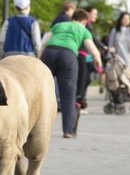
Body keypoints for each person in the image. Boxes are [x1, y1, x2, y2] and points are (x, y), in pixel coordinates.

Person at [39, 9, 102, 139]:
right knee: (68, 94)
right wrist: (98, 64)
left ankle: (36, 129)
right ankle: (68, 131)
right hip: (67, 56)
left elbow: (44, 43)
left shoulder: (58, 25)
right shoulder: (84, 30)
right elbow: (94, 51)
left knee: (42, 92)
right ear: (84, 21)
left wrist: (39, 59)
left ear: (72, 18)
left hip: (49, 53)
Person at [76, 6, 108, 113]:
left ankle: (80, 101)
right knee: (83, 79)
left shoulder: (88, 25)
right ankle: (78, 103)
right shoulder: (86, 25)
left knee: (86, 79)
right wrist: (104, 47)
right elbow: (93, 38)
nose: (96, 16)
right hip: (82, 55)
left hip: (86, 55)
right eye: (94, 13)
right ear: (88, 14)